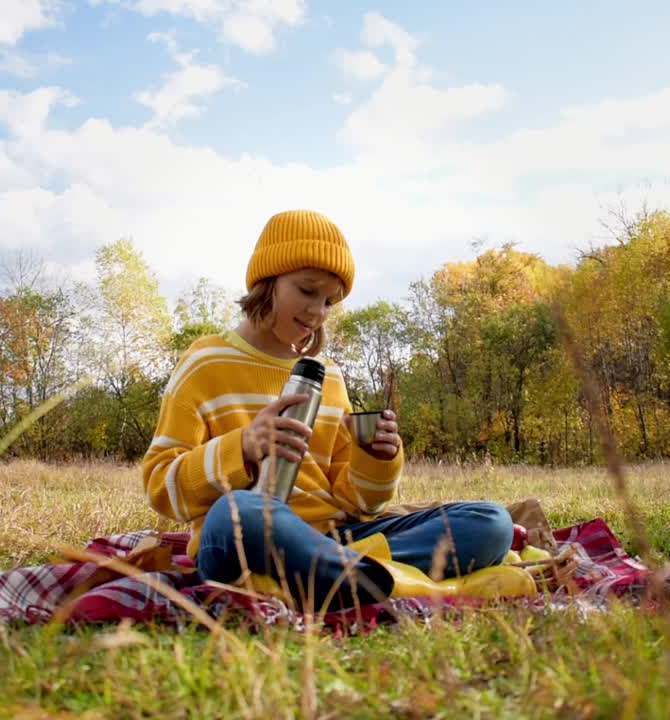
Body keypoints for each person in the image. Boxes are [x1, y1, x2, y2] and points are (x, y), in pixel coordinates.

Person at [142, 209, 514, 611]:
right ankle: (384, 580)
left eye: (330, 302)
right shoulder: (206, 362)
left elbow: (358, 505)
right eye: (306, 291)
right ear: (267, 280)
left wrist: (377, 460)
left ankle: (328, 578)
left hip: (334, 538)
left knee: (491, 522)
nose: (318, 311)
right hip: (242, 539)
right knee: (239, 512)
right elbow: (162, 489)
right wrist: (244, 447)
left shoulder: (329, 378)